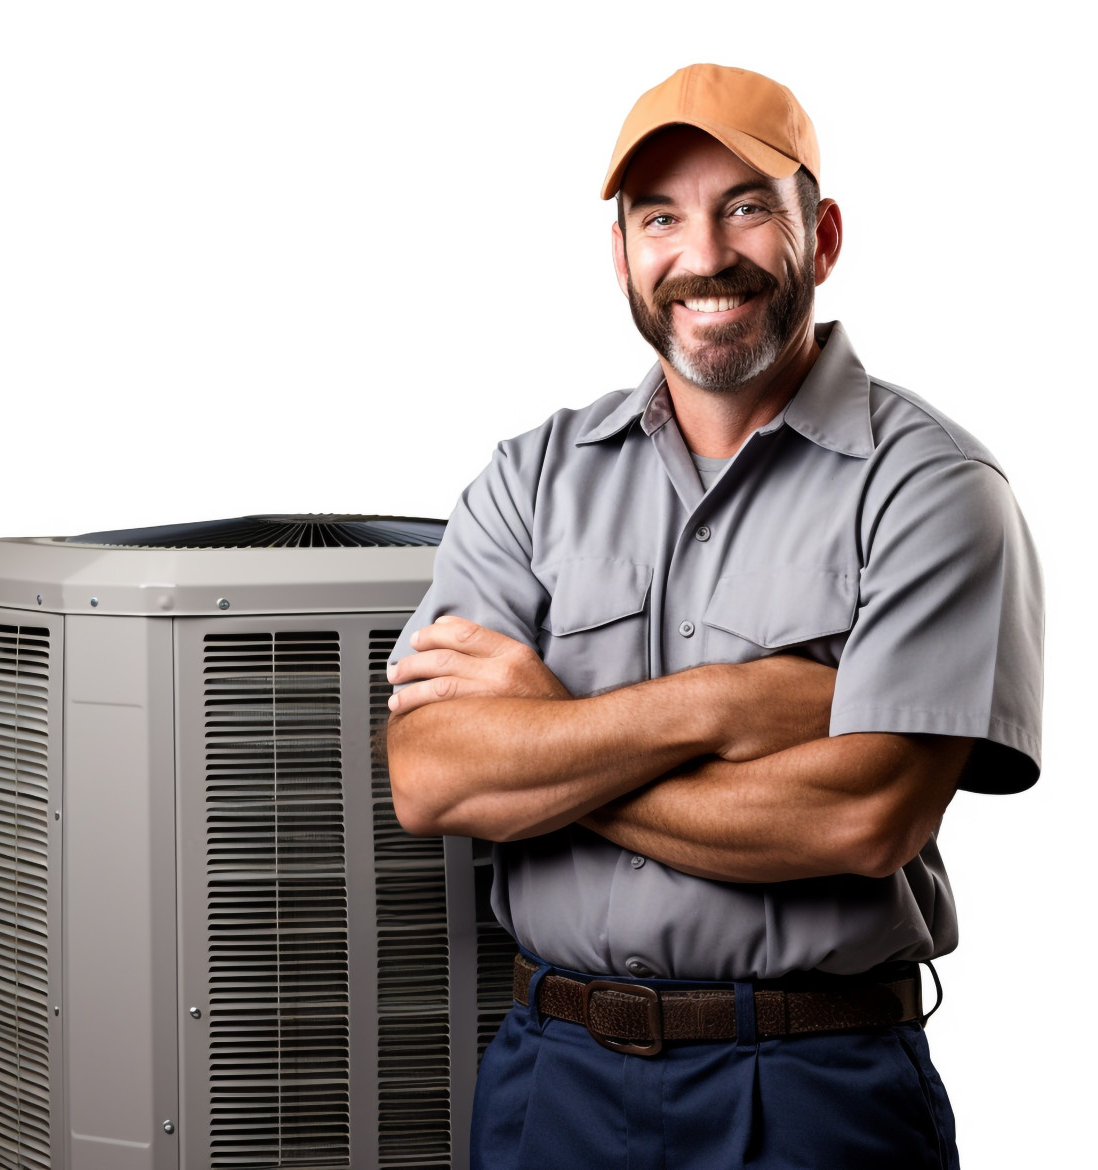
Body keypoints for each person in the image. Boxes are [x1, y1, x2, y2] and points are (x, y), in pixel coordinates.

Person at [385, 62, 1043, 1170]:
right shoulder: (530, 478)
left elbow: (860, 820)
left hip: (807, 1091)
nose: (702, 256)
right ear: (621, 253)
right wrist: (730, 704)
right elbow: (434, 778)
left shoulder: (931, 489)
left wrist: (546, 750)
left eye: (745, 208)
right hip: (553, 1081)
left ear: (820, 238)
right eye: (660, 218)